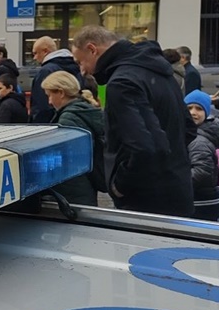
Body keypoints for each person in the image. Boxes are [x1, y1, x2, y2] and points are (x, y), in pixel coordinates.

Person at [71, 26, 195, 217]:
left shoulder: (122, 82)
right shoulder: (160, 70)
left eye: (80, 61)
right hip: (177, 188)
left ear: (92, 49)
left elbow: (145, 147)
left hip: (144, 200)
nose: (82, 70)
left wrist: (119, 186)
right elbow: (188, 128)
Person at [41, 71, 105, 206]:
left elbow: (67, 159)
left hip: (73, 191)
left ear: (61, 93)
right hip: (87, 186)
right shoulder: (84, 110)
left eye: (50, 95)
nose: (49, 101)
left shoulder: (68, 119)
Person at [184, 90, 219, 222]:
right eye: (189, 108)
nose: (193, 112)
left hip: (198, 198)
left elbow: (202, 172)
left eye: (199, 109)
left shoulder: (198, 141)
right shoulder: (191, 134)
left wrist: (177, 182)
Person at [30, 36, 83, 123]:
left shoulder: (46, 71)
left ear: (45, 51)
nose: (34, 58)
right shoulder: (76, 67)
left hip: (50, 125)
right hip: (73, 119)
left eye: (35, 53)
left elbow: (41, 106)